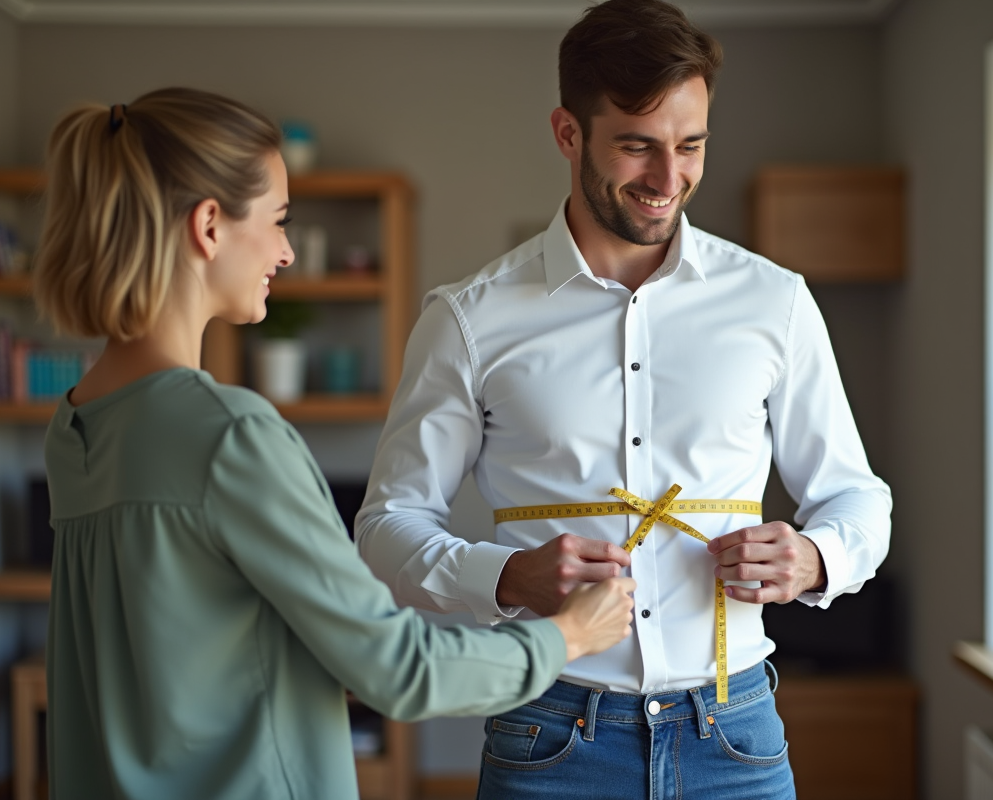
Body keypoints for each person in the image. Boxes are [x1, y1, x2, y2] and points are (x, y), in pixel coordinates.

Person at [354, 1, 893, 797]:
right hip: (549, 732)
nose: (668, 180)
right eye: (637, 146)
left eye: (691, 146)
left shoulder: (773, 302)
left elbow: (857, 496)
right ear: (568, 134)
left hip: (733, 734)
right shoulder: (469, 318)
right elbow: (386, 527)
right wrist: (506, 579)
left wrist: (816, 558)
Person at [33, 86, 635, 800]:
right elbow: (393, 668)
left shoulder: (75, 427)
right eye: (279, 220)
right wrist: (567, 636)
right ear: (208, 227)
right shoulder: (230, 437)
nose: (286, 252)